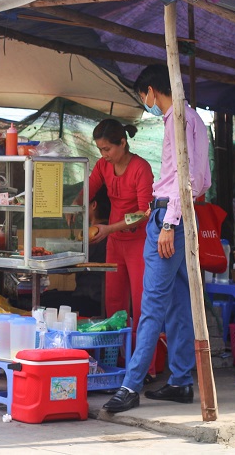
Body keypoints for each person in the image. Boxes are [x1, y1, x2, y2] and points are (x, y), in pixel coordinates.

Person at [103, 64, 211, 413]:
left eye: (143, 96)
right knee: (178, 302)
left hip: (170, 216)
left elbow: (184, 175)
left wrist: (169, 222)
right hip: (178, 214)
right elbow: (200, 179)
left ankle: (130, 385)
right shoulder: (192, 117)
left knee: (151, 305)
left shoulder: (176, 119)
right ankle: (180, 380)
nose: (145, 102)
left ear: (152, 91)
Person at [78, 118, 155, 378]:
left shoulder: (140, 168)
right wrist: (77, 206)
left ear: (122, 143)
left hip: (139, 243)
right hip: (115, 244)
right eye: (100, 149)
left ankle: (146, 369)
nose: (104, 155)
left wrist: (110, 228)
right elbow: (89, 187)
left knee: (142, 305)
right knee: (114, 305)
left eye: (107, 149)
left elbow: (144, 213)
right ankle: (118, 362)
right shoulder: (103, 166)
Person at [41, 186, 111, 317]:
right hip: (90, 297)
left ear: (94, 205)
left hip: (91, 300)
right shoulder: (106, 232)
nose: (81, 209)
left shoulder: (95, 235)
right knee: (48, 296)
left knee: (42, 302)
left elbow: (69, 269)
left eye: (83, 204)